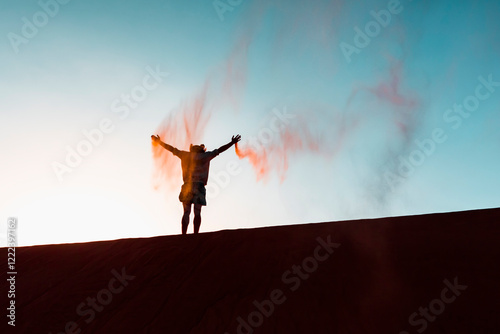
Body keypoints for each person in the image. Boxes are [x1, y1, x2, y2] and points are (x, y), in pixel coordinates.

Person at [151, 134, 241, 234]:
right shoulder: (205, 156)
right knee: (197, 212)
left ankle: (184, 235)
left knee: (186, 212)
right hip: (199, 186)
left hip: (187, 186)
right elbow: (219, 150)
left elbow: (171, 149)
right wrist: (232, 143)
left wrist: (159, 142)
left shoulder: (185, 155)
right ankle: (195, 235)